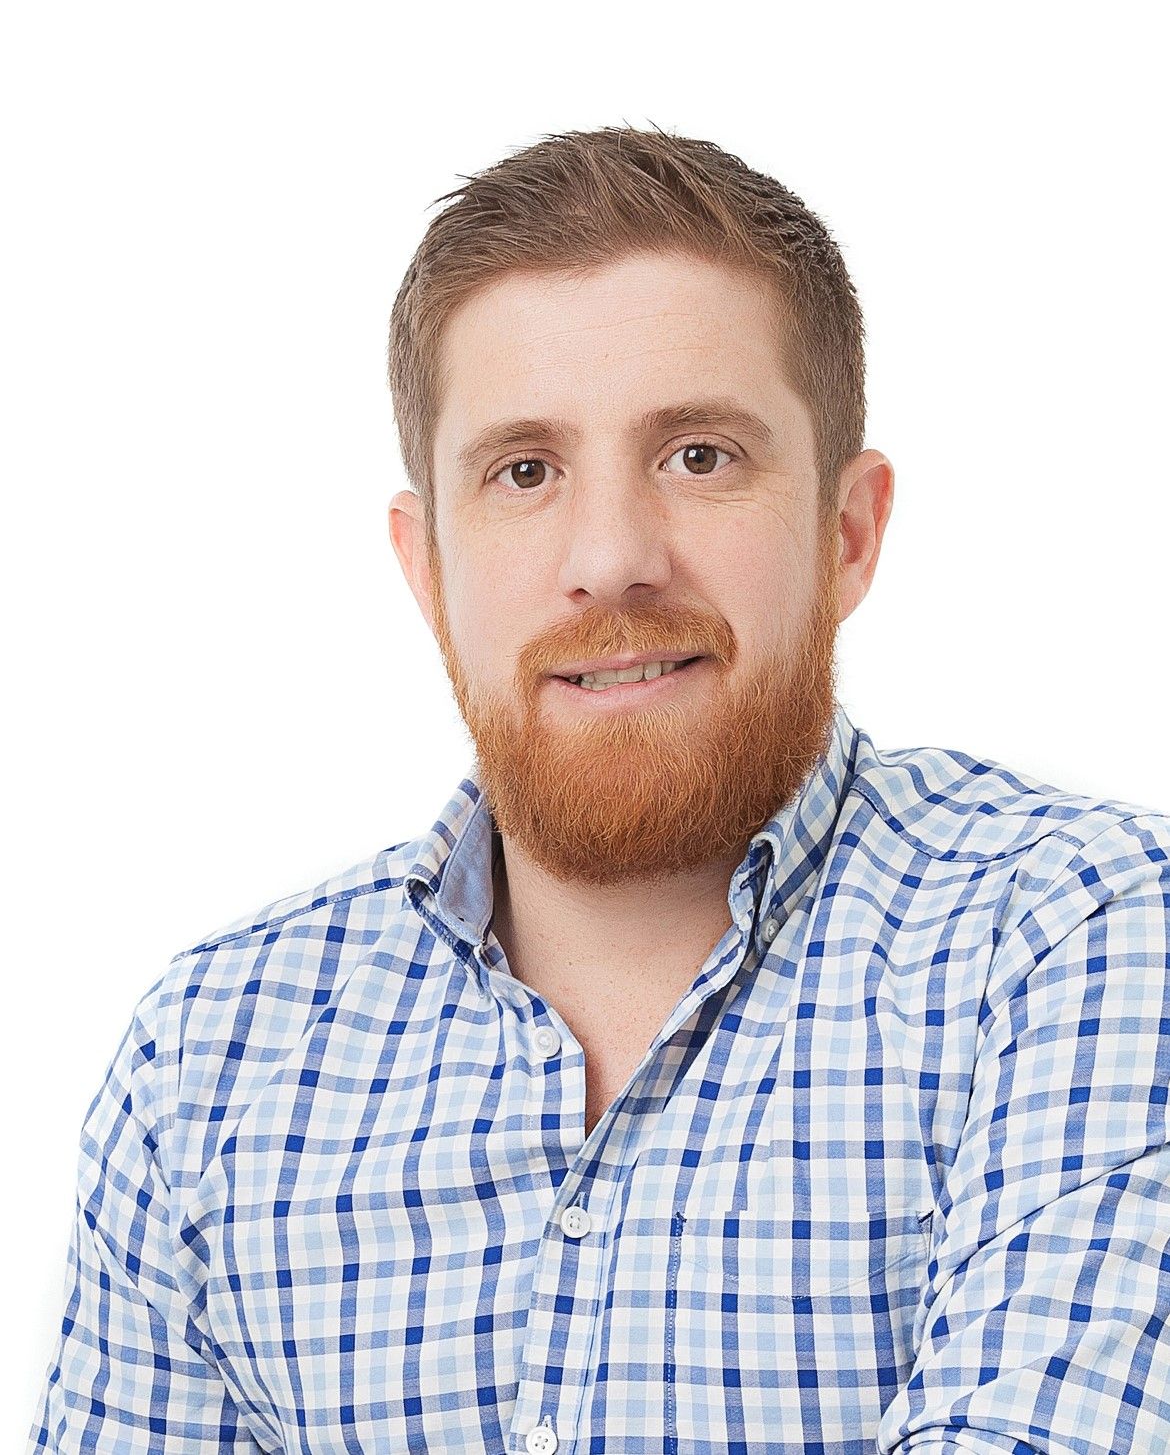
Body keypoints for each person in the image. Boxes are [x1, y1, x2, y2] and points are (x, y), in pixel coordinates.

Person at [29, 124, 1170, 1454]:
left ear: (847, 533)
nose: (613, 557)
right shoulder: (208, 1061)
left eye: (699, 455)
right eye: (525, 471)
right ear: (427, 567)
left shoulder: (1079, 936)